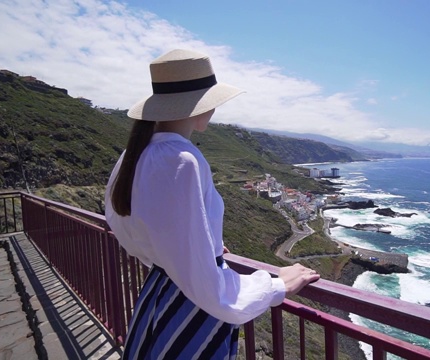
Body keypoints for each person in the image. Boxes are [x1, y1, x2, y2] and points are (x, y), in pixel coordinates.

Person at [105, 49, 320, 360]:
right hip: (189, 307)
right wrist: (274, 287)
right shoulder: (181, 160)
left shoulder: (135, 154)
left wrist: (204, 245)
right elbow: (207, 286)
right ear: (195, 104)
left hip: (159, 296)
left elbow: (131, 226)